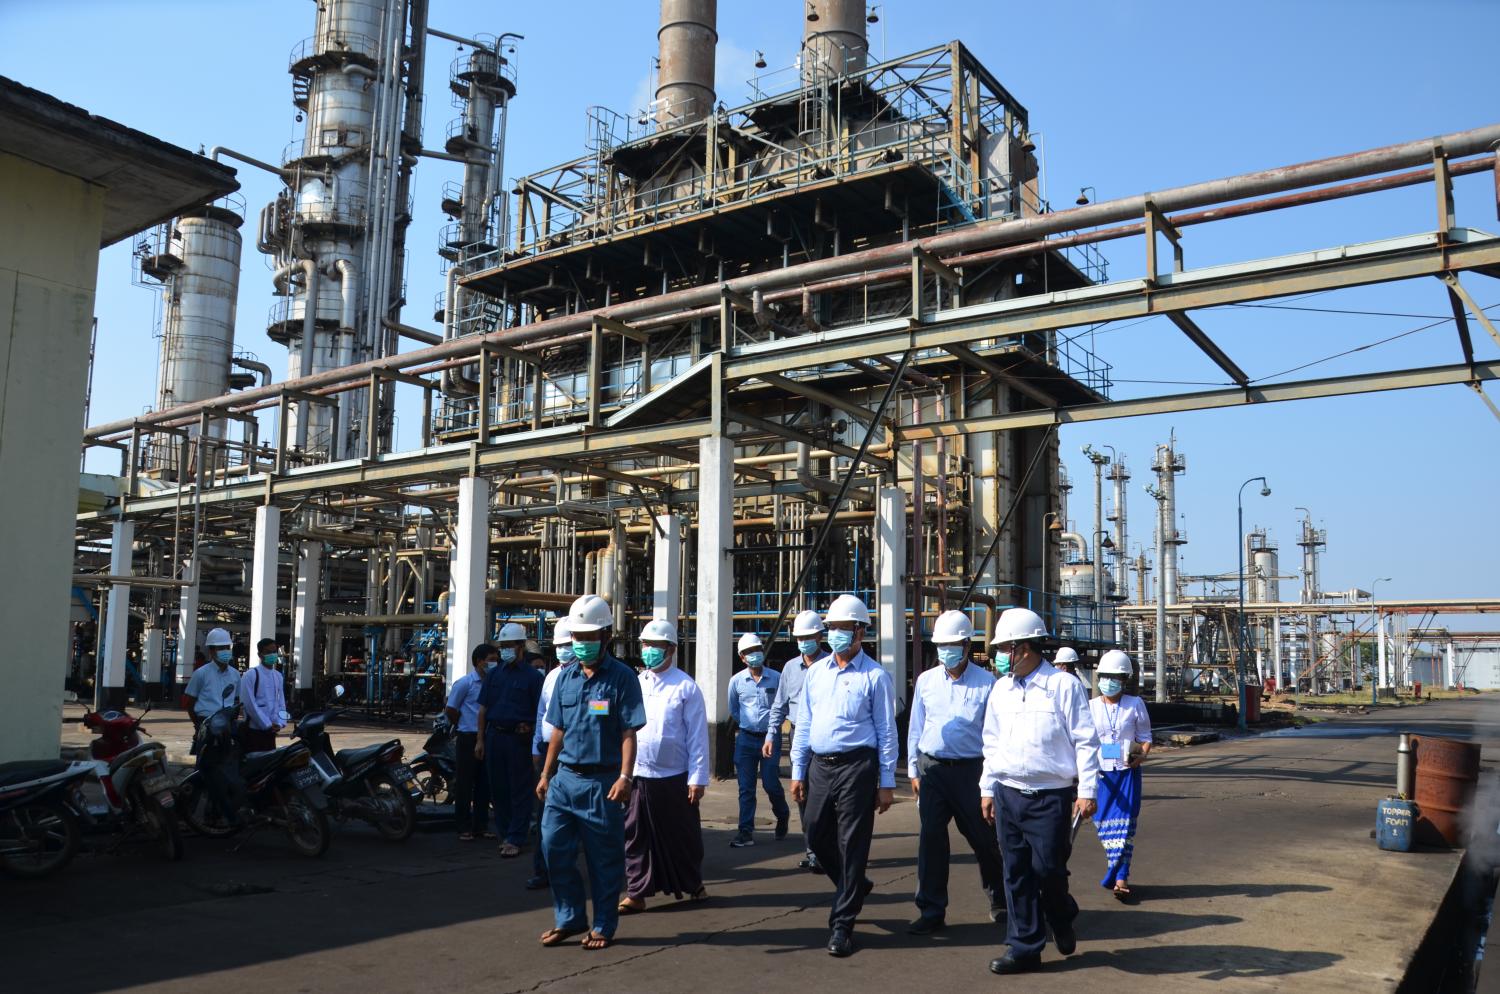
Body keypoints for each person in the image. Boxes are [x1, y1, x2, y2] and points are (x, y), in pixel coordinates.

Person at [980, 608, 1100, 975]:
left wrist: (1088, 789)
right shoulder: (1000, 689)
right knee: (1015, 873)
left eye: (1005, 649)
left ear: (1025, 647)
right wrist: (987, 788)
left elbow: (1085, 739)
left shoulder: (1062, 686)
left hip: (1050, 795)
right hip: (1008, 791)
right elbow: (991, 742)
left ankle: (1061, 913)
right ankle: (1024, 948)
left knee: (1049, 869)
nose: (1000, 656)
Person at [536, 593, 646, 951]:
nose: (581, 643)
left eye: (589, 637)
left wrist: (625, 777)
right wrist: (546, 773)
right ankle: (569, 918)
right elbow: (558, 730)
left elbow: (629, 732)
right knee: (553, 848)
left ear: (606, 636)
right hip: (565, 780)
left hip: (602, 783)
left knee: (604, 860)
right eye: (577, 637)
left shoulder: (622, 678)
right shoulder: (564, 677)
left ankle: (602, 925)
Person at [790, 594, 897, 958]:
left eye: (842, 628)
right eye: (831, 627)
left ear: (860, 632)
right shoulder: (816, 673)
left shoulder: (875, 676)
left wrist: (886, 782)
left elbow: (886, 731)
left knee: (852, 844)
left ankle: (842, 925)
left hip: (857, 767)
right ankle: (854, 885)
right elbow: (804, 724)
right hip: (820, 766)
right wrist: (798, 770)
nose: (835, 634)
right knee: (815, 833)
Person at [907, 610, 1006, 935]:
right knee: (931, 840)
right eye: (941, 645)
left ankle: (1000, 900)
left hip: (970, 772)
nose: (946, 651)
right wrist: (913, 770)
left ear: (966, 645)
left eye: (952, 645)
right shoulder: (926, 681)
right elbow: (916, 727)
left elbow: (995, 735)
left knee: (984, 839)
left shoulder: (987, 683)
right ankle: (931, 910)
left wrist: (990, 782)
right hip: (933, 769)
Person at [618, 619, 710, 914]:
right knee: (635, 834)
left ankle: (692, 882)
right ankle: (637, 892)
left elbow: (697, 736)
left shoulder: (686, 687)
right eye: (646, 645)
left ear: (670, 649)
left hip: (674, 776)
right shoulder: (635, 682)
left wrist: (697, 778)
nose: (649, 650)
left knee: (681, 835)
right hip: (638, 773)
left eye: (655, 645)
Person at [763, 609, 826, 872]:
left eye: (808, 637)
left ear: (819, 636)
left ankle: (830, 850)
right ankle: (813, 852)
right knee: (801, 793)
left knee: (825, 796)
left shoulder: (830, 665)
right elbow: (779, 705)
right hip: (798, 734)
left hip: (824, 736)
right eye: (800, 637)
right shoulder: (790, 668)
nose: (803, 642)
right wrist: (771, 734)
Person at [1090, 649, 1153, 901]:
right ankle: (1115, 869)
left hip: (1127, 774)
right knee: (1106, 827)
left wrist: (1141, 755)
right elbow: (1083, 742)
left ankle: (1121, 877)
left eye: (1115, 677)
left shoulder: (1135, 705)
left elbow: (1145, 738)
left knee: (1125, 828)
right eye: (1105, 676)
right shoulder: (1091, 707)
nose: (1109, 681)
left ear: (1124, 679)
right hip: (1101, 776)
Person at [477, 622, 543, 857]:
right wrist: (480, 740)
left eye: (509, 645)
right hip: (495, 736)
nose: (505, 650)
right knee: (499, 788)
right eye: (502, 646)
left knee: (520, 789)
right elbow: (483, 709)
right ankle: (505, 833)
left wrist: (532, 731)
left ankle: (516, 836)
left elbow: (541, 712)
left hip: (519, 739)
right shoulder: (494, 674)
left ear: (521, 646)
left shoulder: (533, 677)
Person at [727, 631, 790, 847]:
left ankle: (782, 814)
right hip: (746, 739)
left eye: (757, 650)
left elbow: (783, 706)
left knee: (771, 783)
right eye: (749, 652)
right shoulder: (736, 681)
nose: (754, 654)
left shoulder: (776, 678)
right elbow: (734, 709)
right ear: (742, 657)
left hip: (770, 739)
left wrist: (771, 729)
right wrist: (748, 724)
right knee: (746, 788)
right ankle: (745, 831)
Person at [527, 616, 575, 890]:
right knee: (547, 814)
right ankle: (543, 870)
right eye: (559, 646)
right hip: (549, 752)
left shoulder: (589, 677)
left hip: (576, 753)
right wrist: (537, 745)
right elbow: (541, 714)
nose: (562, 650)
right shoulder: (552, 676)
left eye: (567, 645)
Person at [446, 643, 494, 841]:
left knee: (484, 783)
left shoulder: (492, 683)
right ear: (479, 662)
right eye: (491, 660)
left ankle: (481, 825)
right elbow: (451, 708)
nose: (494, 664)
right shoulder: (465, 683)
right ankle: (463, 825)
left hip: (487, 736)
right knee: (465, 782)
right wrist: (461, 723)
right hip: (468, 737)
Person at [183, 628, 241, 729]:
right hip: (206, 722)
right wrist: (198, 726)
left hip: (228, 723)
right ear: (211, 651)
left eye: (227, 647)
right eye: (221, 648)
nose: (226, 651)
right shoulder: (201, 674)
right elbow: (189, 702)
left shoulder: (235, 674)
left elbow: (237, 700)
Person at [240, 638, 287, 752]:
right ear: (260, 655)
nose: (272, 655)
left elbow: (281, 703)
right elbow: (249, 704)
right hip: (255, 731)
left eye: (274, 651)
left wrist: (281, 723)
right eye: (268, 652)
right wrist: (267, 724)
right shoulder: (251, 675)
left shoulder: (278, 676)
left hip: (272, 731)